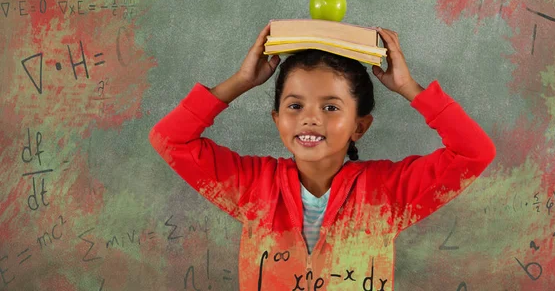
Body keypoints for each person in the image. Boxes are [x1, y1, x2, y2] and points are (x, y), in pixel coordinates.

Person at [149, 22, 496, 290]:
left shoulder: (388, 194)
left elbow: (475, 152)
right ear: (278, 120)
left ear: (359, 127)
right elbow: (170, 140)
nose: (310, 117)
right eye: (295, 105)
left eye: (330, 106)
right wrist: (241, 81)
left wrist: (409, 88)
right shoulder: (252, 188)